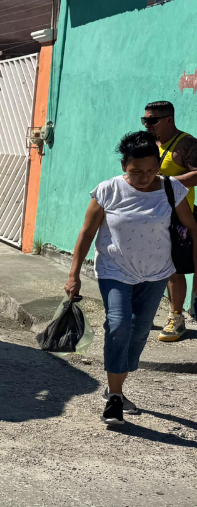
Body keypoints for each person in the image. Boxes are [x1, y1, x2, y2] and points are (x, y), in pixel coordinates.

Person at [65, 130, 197, 426]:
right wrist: (74, 274)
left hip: (157, 274)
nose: (145, 177)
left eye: (152, 170)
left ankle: (118, 383)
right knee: (120, 325)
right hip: (115, 271)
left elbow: (191, 228)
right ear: (124, 164)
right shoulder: (108, 190)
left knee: (138, 335)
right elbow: (87, 233)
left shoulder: (172, 189)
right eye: (137, 171)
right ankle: (114, 397)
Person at [141, 100, 197, 339]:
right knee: (149, 266)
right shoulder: (149, 144)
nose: (147, 125)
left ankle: (177, 317)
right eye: (145, 120)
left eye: (152, 120)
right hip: (149, 214)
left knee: (174, 270)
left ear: (169, 119)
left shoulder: (186, 144)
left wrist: (168, 183)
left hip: (178, 216)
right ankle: (144, 314)